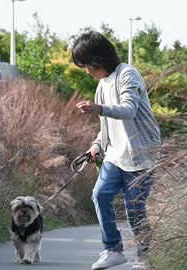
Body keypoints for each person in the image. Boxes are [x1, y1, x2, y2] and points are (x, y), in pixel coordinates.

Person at [73, 31, 161, 270]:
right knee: (99, 194)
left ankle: (145, 257)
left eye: (84, 65)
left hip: (142, 154)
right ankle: (113, 250)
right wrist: (96, 146)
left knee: (134, 208)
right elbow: (106, 128)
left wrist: (99, 108)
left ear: (96, 60)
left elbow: (128, 109)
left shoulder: (127, 74)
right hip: (114, 155)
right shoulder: (102, 85)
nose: (85, 70)